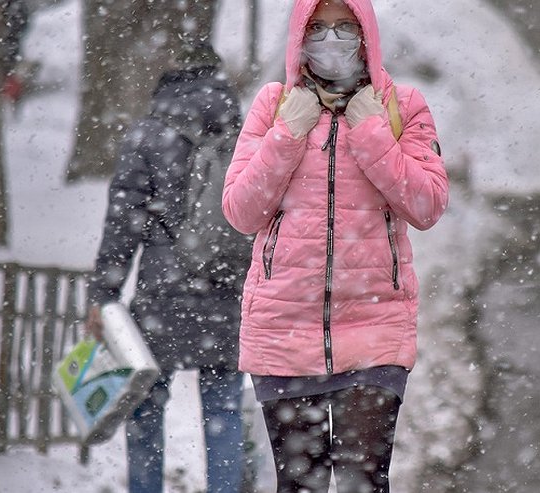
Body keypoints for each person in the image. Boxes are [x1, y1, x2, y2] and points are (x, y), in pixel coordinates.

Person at [221, 1, 449, 491]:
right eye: (318, 28)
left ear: (366, 33)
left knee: (362, 482)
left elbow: (427, 205)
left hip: (373, 329)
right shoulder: (275, 105)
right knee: (299, 484)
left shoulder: (401, 107)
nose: (332, 40)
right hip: (284, 329)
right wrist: (287, 134)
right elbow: (241, 210)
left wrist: (370, 131)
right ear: (298, 36)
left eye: (345, 27)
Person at [85, 43, 250, 493]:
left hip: (160, 298)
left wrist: (103, 296)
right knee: (224, 412)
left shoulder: (147, 135)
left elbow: (123, 224)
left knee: (144, 410)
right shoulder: (244, 135)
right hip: (227, 294)